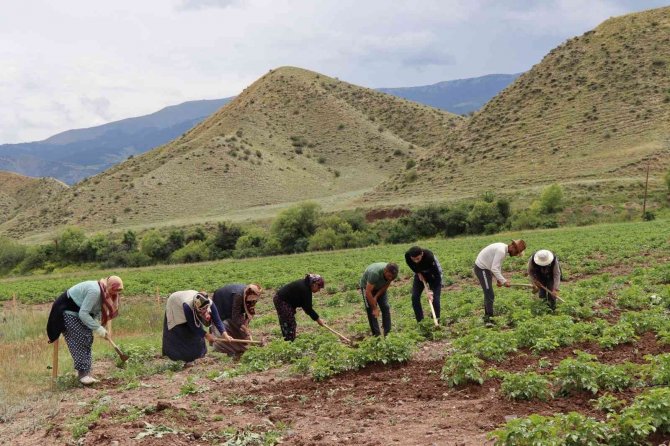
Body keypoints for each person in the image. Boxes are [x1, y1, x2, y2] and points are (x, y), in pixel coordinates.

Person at [46, 276, 124, 385]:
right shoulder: (95, 291)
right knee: (80, 339)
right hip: (67, 311)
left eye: (117, 292)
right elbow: (83, 313)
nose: (114, 294)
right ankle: (83, 375)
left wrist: (100, 328)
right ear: (108, 285)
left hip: (80, 313)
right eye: (113, 290)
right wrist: (98, 328)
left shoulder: (104, 293)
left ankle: (86, 374)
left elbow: (95, 312)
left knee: (88, 338)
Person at [162, 290, 230, 365]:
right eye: (201, 311)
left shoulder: (209, 303)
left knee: (197, 336)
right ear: (195, 307)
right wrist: (207, 335)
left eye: (204, 310)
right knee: (182, 332)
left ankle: (199, 356)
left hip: (187, 300)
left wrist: (225, 334)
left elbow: (217, 320)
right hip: (175, 305)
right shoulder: (187, 306)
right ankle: (181, 358)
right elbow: (193, 326)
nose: (203, 313)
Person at [473, 240, 526, 326]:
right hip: (482, 268)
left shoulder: (503, 249)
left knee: (488, 293)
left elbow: (498, 265)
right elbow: (494, 268)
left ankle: (487, 317)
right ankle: (489, 320)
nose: (516, 254)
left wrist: (499, 279)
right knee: (489, 294)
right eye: (516, 252)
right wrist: (504, 281)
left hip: (486, 269)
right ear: (512, 246)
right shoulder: (501, 251)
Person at [211, 284, 262, 356]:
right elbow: (235, 316)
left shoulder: (251, 296)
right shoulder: (239, 295)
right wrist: (245, 328)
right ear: (249, 294)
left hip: (233, 304)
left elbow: (250, 311)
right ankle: (228, 348)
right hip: (222, 301)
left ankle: (239, 342)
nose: (255, 300)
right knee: (226, 323)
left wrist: (246, 325)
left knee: (240, 327)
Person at [273, 274, 326, 342]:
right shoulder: (305, 289)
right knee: (289, 322)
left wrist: (317, 319)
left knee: (288, 322)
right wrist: (318, 320)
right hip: (282, 301)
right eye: (319, 288)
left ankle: (288, 340)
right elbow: (308, 308)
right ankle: (289, 342)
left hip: (283, 300)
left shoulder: (306, 286)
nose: (319, 290)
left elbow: (305, 306)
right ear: (315, 284)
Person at [405, 246, 443, 323]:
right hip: (421, 274)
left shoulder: (429, 257)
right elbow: (411, 265)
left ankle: (436, 320)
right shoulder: (408, 256)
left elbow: (437, 275)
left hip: (434, 276)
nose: (416, 261)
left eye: (418, 259)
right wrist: (418, 272)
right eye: (414, 259)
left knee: (435, 299)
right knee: (414, 297)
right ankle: (420, 322)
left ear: (422, 254)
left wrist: (431, 292)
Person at [360, 262, 399, 336]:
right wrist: (374, 308)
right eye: (389, 276)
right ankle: (376, 334)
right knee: (371, 310)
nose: (390, 278)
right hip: (367, 287)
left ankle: (387, 332)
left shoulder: (394, 274)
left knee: (385, 306)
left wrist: (376, 296)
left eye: (392, 277)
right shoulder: (374, 273)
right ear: (385, 271)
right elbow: (368, 292)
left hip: (380, 287)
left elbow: (386, 285)